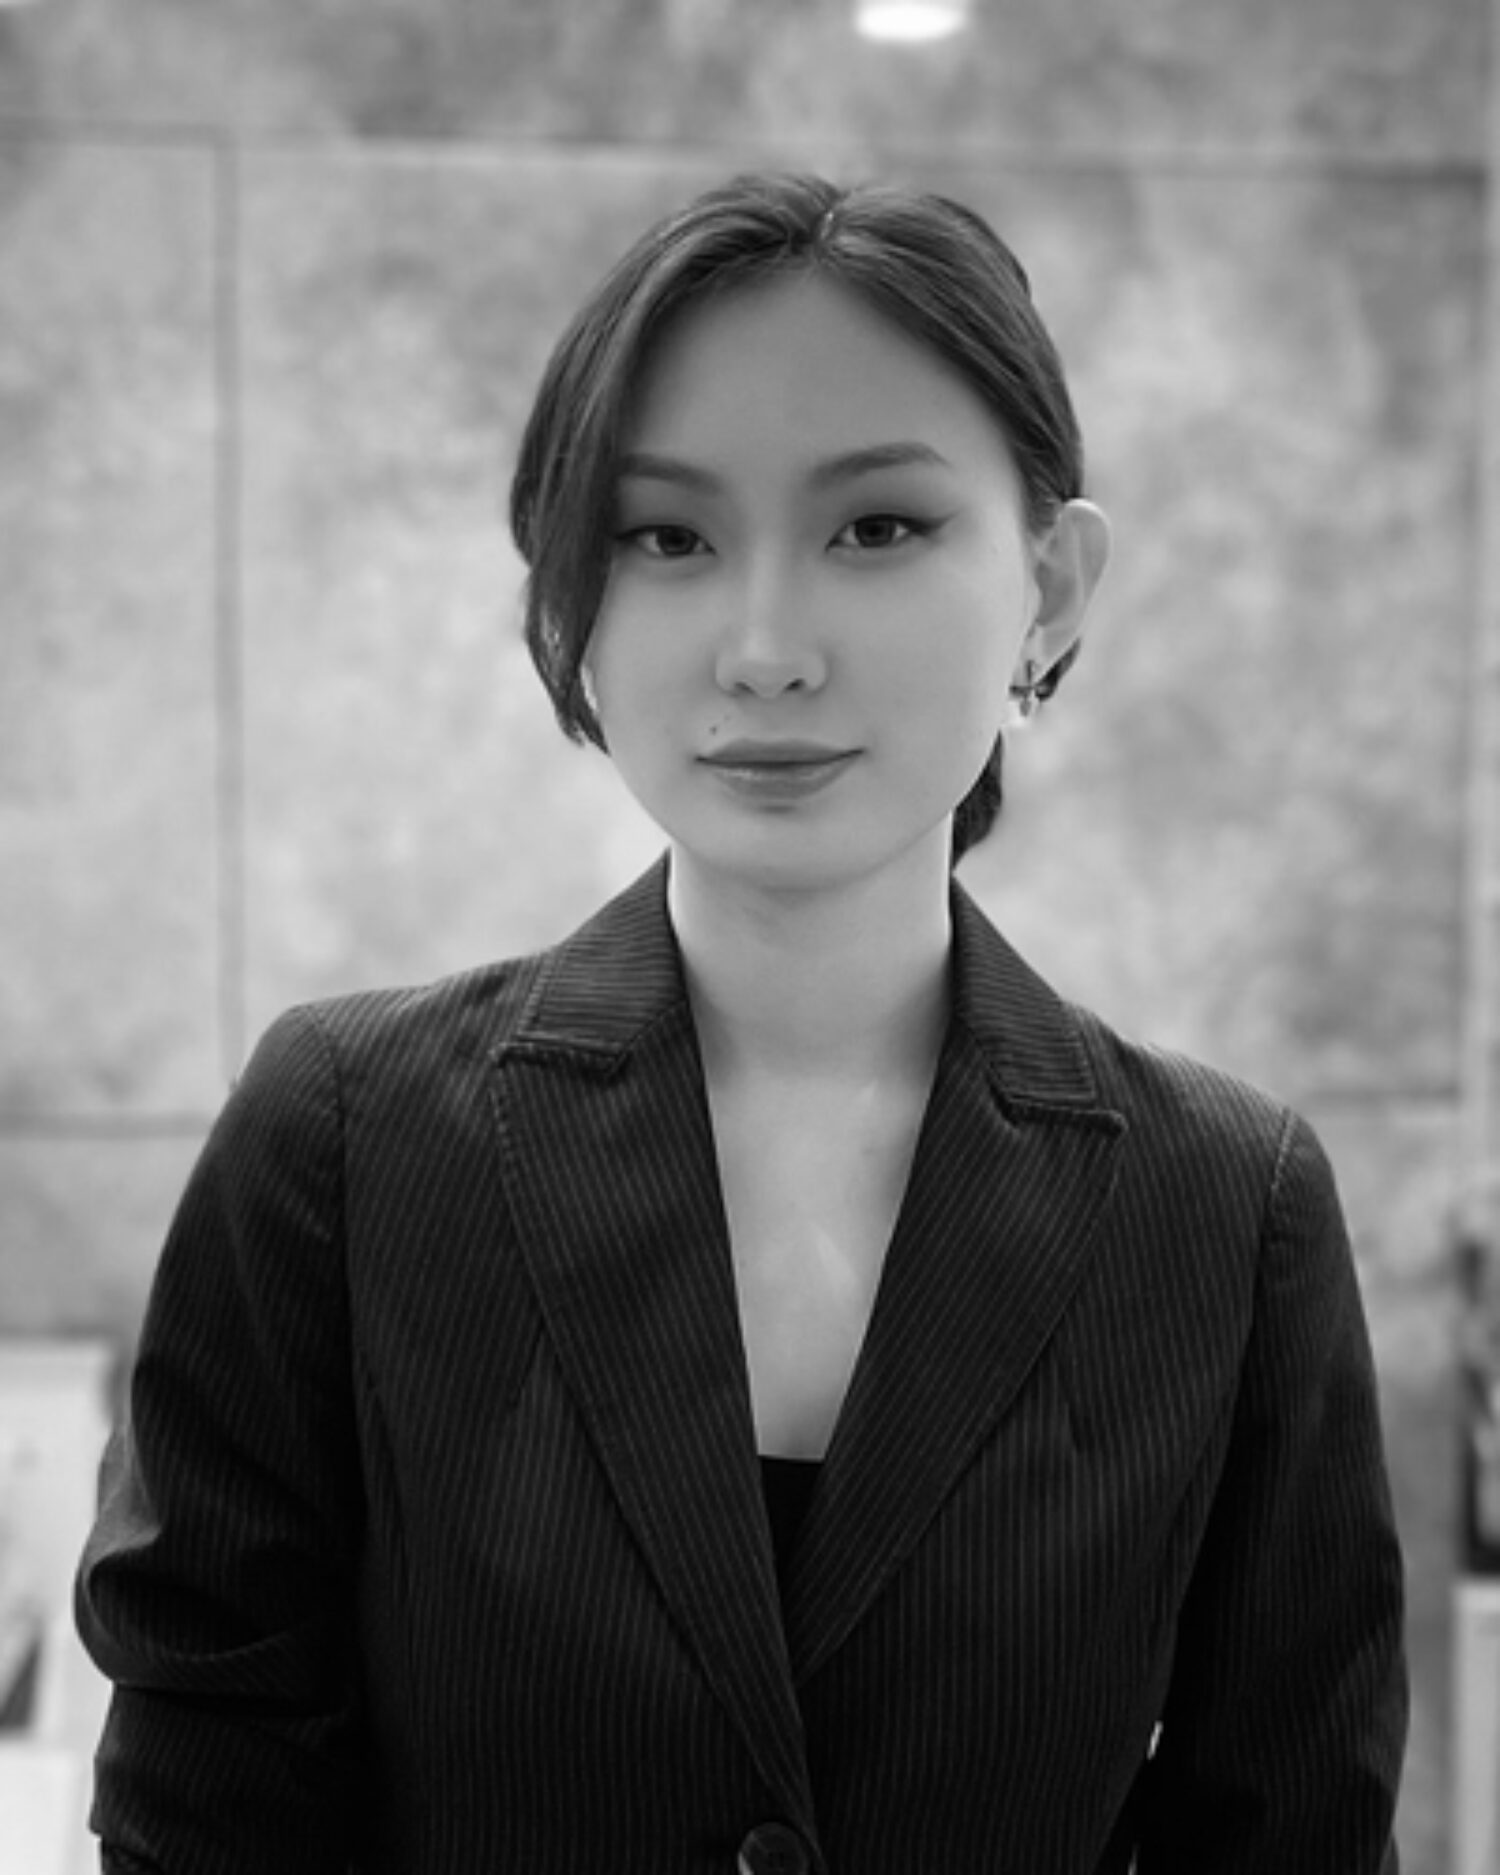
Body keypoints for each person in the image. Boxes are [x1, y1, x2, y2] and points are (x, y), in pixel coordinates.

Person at [76, 171, 1407, 1873]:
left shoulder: (1225, 1210)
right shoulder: (341, 1142)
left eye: (879, 527)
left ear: (1053, 589)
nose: (766, 651)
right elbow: (205, 1799)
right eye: (666, 536)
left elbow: (1295, 1829)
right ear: (573, 597)